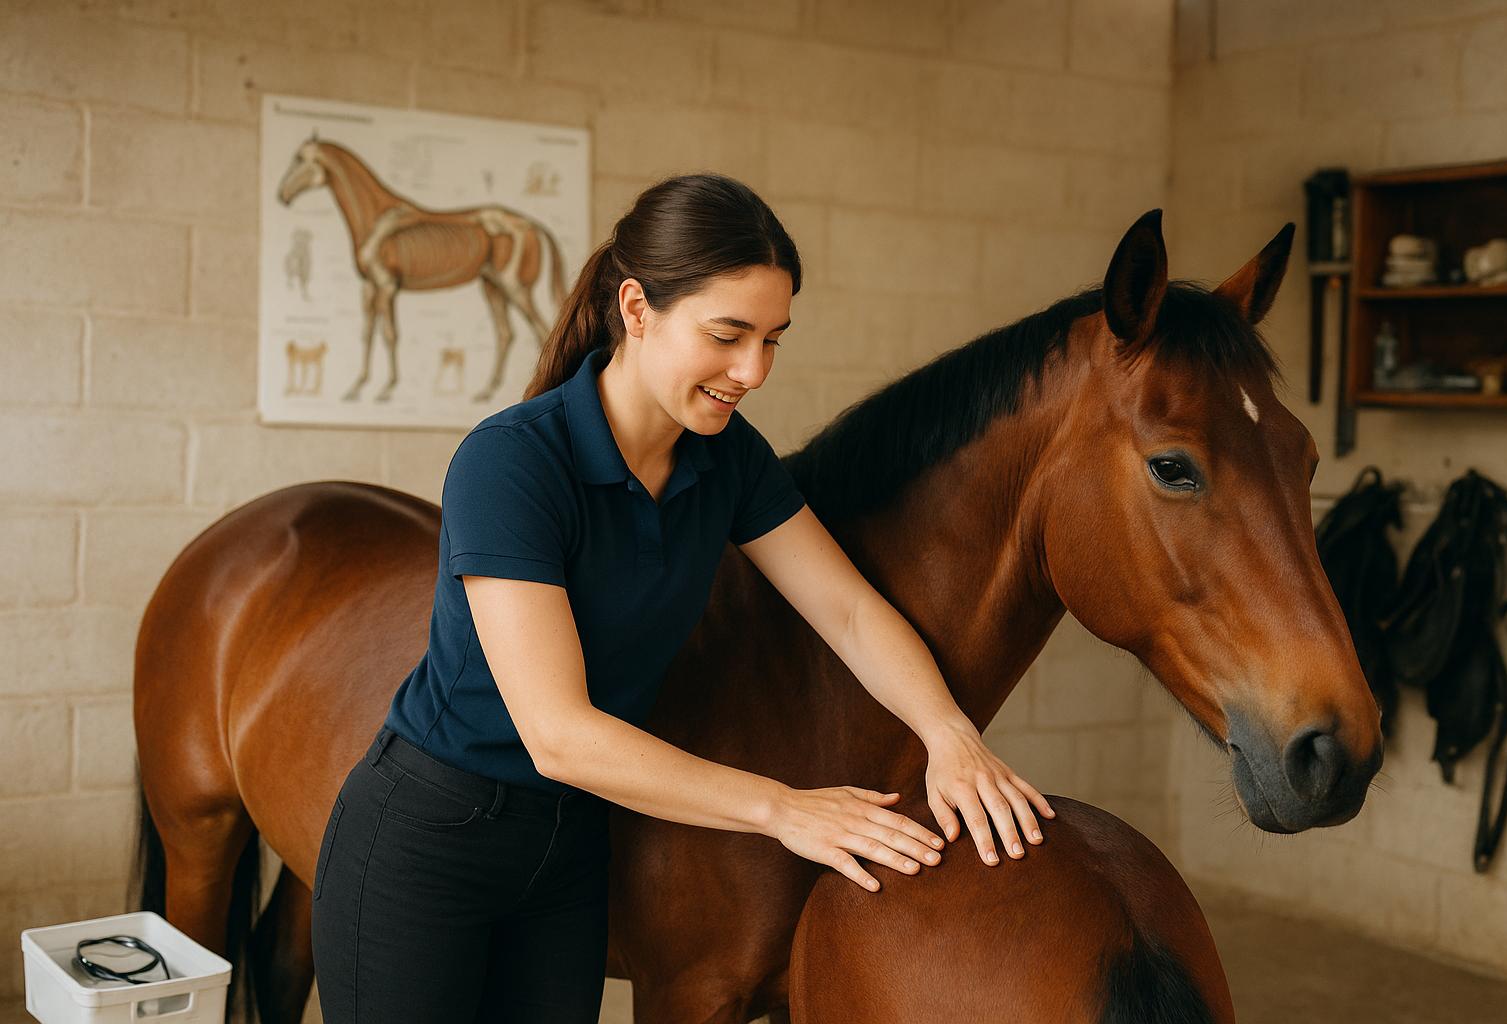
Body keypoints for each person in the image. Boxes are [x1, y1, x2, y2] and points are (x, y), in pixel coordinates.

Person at [310, 172, 1056, 1023]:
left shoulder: (728, 458)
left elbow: (846, 610)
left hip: (569, 852)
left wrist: (948, 731)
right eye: (728, 334)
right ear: (636, 308)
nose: (753, 371)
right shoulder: (512, 462)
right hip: (428, 841)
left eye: (774, 339)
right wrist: (785, 809)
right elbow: (559, 736)